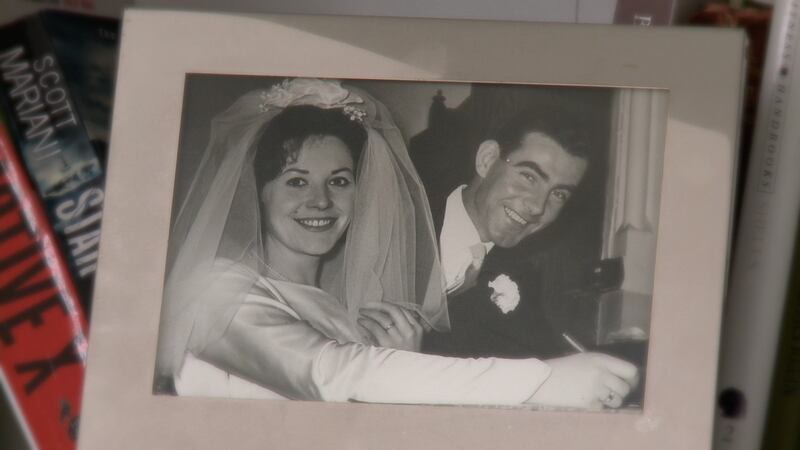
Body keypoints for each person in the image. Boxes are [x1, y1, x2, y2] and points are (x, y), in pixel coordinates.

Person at [155, 78, 637, 409]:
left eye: (340, 181)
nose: (321, 201)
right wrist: (545, 380)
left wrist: (411, 359)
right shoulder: (213, 288)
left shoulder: (342, 307)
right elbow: (334, 374)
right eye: (296, 182)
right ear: (256, 191)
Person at [419, 105, 616, 360]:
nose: (537, 206)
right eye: (529, 176)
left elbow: (539, 361)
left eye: (558, 194)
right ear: (487, 159)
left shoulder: (522, 279)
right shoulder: (399, 219)